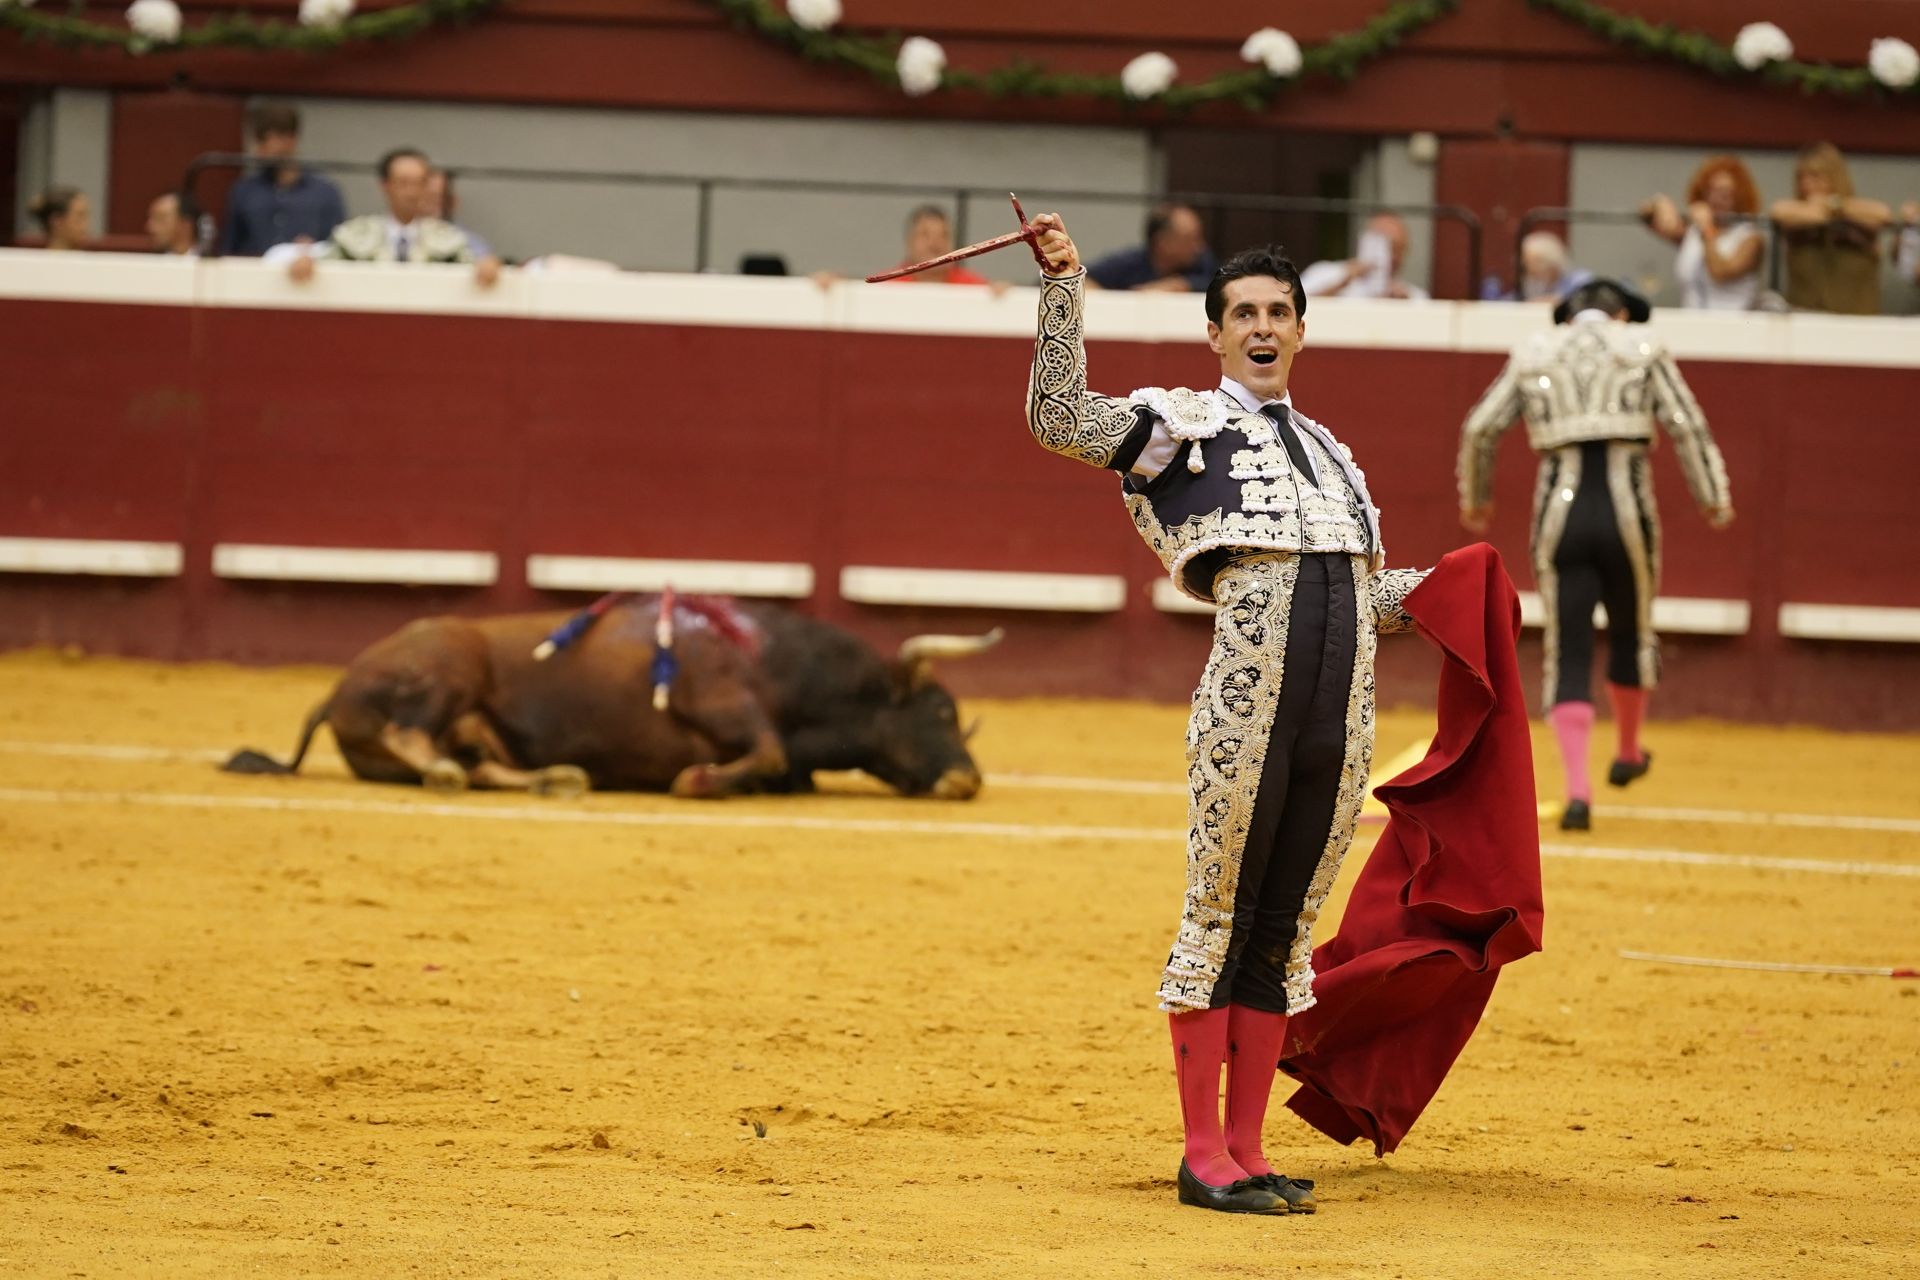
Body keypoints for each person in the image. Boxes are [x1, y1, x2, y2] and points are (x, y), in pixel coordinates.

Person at [1024, 212, 1430, 1215]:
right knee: (1220, 917)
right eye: (1242, 313)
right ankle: (1202, 1152)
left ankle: (1247, 1148)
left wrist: (1447, 591)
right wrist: (1065, 286)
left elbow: (1363, 597)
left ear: (1301, 330)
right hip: (1248, 713)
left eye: (1277, 312)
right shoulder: (1181, 427)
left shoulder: (1334, 456)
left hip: (1342, 720)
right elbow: (1057, 417)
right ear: (1214, 333)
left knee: (1282, 929)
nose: (1261, 327)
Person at [1457, 278, 1732, 832]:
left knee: (1569, 646)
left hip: (1559, 519)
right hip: (1628, 512)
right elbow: (1687, 427)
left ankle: (1578, 793)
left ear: (1568, 318)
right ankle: (1628, 751)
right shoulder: (1644, 347)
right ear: (1622, 315)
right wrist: (1713, 497)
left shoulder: (1536, 351)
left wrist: (1477, 498)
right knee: (1632, 630)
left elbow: (1481, 429)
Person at [276, 147, 502, 288]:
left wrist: (487, 263)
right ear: (385, 186)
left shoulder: (448, 238)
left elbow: (477, 263)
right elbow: (325, 261)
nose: (411, 192)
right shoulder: (355, 235)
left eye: (418, 183)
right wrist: (307, 262)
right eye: (403, 183)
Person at [1769, 143, 1892, 315]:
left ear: (1835, 177)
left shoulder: (1859, 212)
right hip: (1807, 318)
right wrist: (1821, 212)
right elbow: (1778, 211)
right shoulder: (1794, 214)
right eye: (1801, 178)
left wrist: (1834, 205)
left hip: (1858, 319)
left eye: (1815, 176)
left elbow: (1883, 214)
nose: (1806, 184)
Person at [219, 101, 347, 257]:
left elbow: (338, 253)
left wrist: (314, 251)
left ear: (290, 138)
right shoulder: (243, 192)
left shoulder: (326, 194)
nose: (257, 149)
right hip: (253, 271)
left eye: (264, 139)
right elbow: (228, 252)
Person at [1640, 156, 1765, 310]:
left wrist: (1707, 229)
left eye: (1726, 194)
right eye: (1713, 191)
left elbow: (1720, 272)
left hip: (1732, 322)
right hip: (1691, 320)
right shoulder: (1693, 233)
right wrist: (1659, 205)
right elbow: (1652, 220)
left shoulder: (1750, 238)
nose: (1718, 199)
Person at [1085, 202, 1217, 292]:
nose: (1199, 246)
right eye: (1189, 240)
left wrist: (1182, 285)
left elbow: (1217, 285)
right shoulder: (1129, 262)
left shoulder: (1203, 261)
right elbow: (1084, 279)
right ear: (1162, 242)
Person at [1298, 212, 1429, 301]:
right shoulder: (1324, 273)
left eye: (1399, 249)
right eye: (1388, 247)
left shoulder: (1412, 296)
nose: (1393, 257)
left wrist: (1401, 307)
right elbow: (1294, 310)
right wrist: (1340, 283)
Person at [421, 166, 493, 261]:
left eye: (438, 198)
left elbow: (487, 259)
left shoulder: (464, 240)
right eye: (426, 197)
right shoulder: (407, 235)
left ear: (452, 202)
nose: (430, 205)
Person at [1513, 230, 1590, 302]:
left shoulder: (1580, 280)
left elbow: (1588, 299)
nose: (1525, 267)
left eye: (1529, 262)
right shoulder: (1536, 284)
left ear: (1546, 261)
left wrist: (1559, 300)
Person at [146, 191, 198, 256]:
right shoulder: (150, 260)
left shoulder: (207, 259)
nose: (151, 227)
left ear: (185, 224)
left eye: (160, 219)